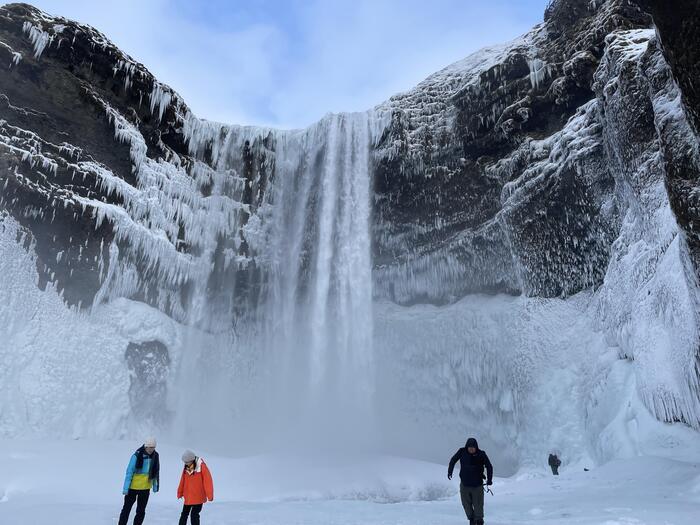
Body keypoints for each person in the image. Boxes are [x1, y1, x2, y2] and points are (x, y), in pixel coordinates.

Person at [448, 437, 493, 525]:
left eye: (473, 447)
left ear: (476, 447)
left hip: (477, 486)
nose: (471, 448)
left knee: (478, 505)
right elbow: (453, 460)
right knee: (466, 504)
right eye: (469, 447)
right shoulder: (462, 452)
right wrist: (450, 471)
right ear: (466, 447)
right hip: (465, 485)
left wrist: (489, 479)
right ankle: (472, 519)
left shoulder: (481, 454)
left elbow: (489, 466)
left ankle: (479, 520)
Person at [118, 437, 160, 525]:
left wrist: (155, 486)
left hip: (145, 488)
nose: (151, 450)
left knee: (141, 511)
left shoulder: (155, 456)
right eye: (149, 447)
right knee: (126, 509)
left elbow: (156, 472)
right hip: (132, 488)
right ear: (145, 446)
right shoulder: (136, 455)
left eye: (153, 448)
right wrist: (126, 488)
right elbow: (129, 472)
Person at [177, 449, 214, 525]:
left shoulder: (202, 466)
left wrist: (210, 495)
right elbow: (183, 480)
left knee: (194, 515)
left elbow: (208, 481)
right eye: (185, 462)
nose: (185, 464)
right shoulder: (187, 467)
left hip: (198, 496)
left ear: (192, 460)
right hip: (189, 496)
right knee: (184, 514)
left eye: (187, 462)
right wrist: (180, 492)